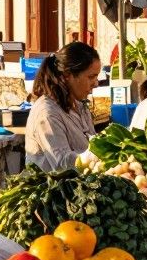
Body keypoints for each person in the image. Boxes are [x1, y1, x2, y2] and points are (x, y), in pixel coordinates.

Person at [25, 42, 101, 172]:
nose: (96, 83)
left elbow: (93, 145)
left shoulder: (79, 105)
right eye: (91, 77)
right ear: (67, 75)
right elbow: (62, 164)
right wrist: (95, 158)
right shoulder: (47, 113)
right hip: (55, 189)